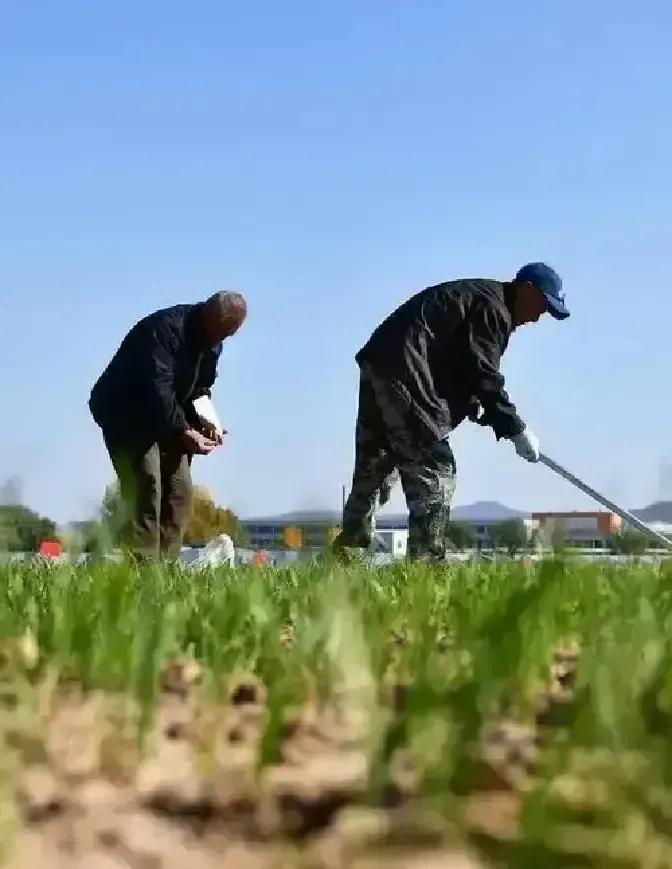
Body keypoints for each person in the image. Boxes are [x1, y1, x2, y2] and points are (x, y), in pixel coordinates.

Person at [334, 263, 569, 561]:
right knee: (437, 469)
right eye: (542, 306)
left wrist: (476, 406)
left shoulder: (482, 299)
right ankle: (426, 564)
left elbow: (460, 361)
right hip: (406, 375)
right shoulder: (493, 309)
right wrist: (515, 427)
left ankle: (346, 557)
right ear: (527, 290)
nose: (538, 317)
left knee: (376, 465)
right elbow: (482, 373)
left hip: (381, 365)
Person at [89, 291, 247, 559]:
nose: (222, 340)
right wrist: (184, 430)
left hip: (166, 418)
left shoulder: (213, 344)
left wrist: (204, 421)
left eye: (229, 335)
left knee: (179, 491)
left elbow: (200, 387)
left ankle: (166, 567)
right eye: (221, 332)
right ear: (208, 317)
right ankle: (143, 567)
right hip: (126, 414)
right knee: (146, 486)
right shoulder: (164, 331)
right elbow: (158, 388)